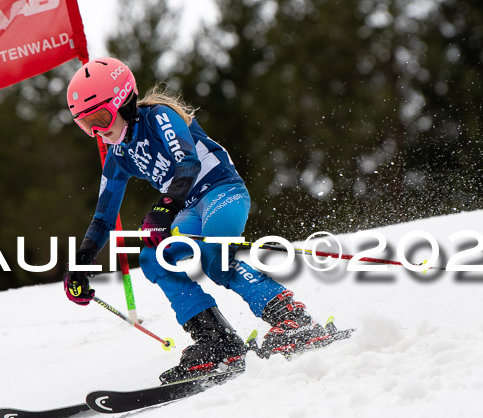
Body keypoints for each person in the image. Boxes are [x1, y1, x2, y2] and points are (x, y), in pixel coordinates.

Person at [63, 57, 332, 384]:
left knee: (215, 258)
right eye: (84, 124)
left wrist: (163, 209)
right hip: (189, 206)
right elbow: (103, 217)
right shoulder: (118, 156)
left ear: (124, 101)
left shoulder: (159, 116)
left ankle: (293, 319)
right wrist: (81, 264)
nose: (97, 131)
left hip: (222, 192)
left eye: (101, 118)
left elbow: (187, 163)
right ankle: (217, 341)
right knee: (153, 258)